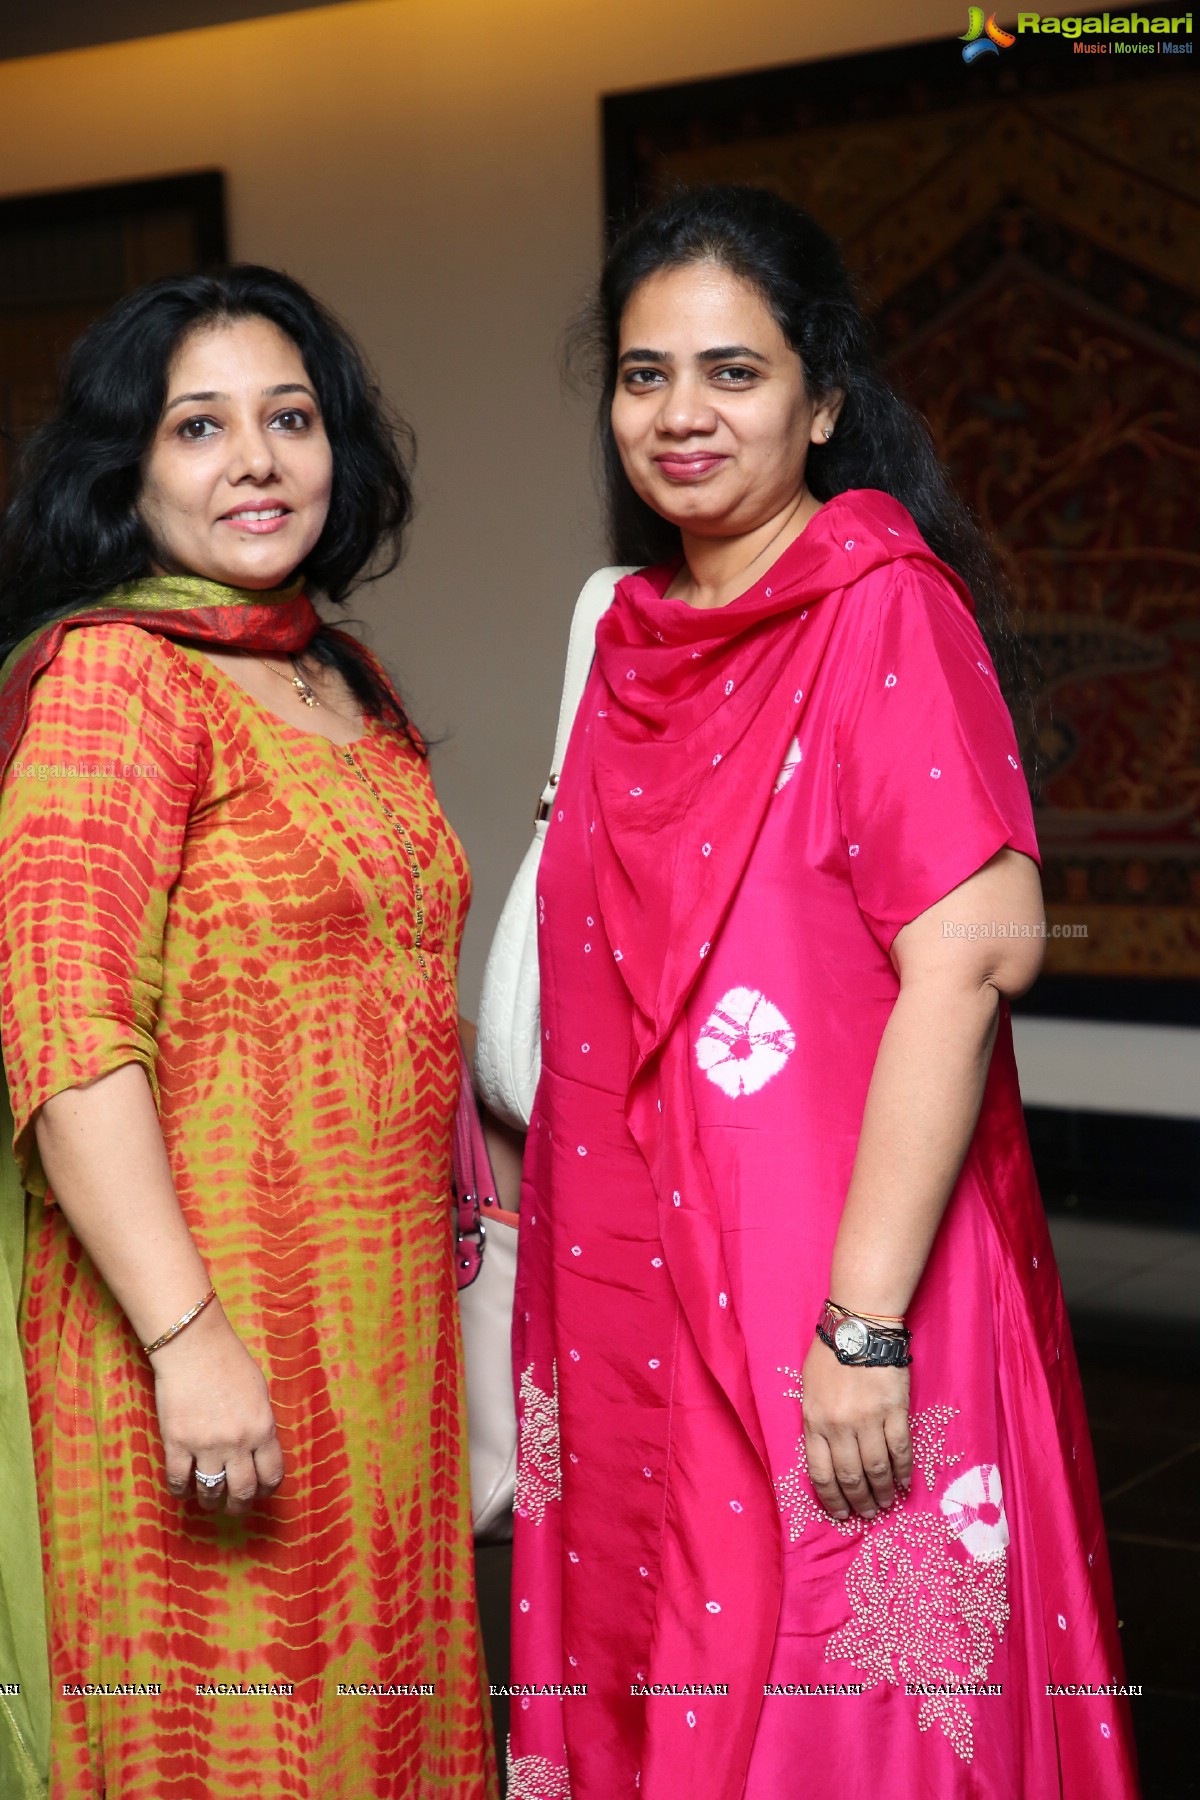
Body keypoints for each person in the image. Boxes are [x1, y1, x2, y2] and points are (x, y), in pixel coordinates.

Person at [504, 187, 1139, 1800]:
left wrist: (861, 1325)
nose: (683, 415)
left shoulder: (877, 607)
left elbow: (972, 956)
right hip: (629, 1282)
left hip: (832, 1285)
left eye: (734, 372)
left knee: (833, 1704)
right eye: (645, 376)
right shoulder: (630, 636)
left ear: (824, 398)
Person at [0, 267, 498, 1798]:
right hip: (198, 1339)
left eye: (288, 418)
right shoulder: (116, 684)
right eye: (197, 427)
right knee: (226, 1742)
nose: (256, 461)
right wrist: (187, 1340)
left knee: (376, 1728)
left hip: (379, 1340)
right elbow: (68, 1038)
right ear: (128, 470)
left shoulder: (340, 676)